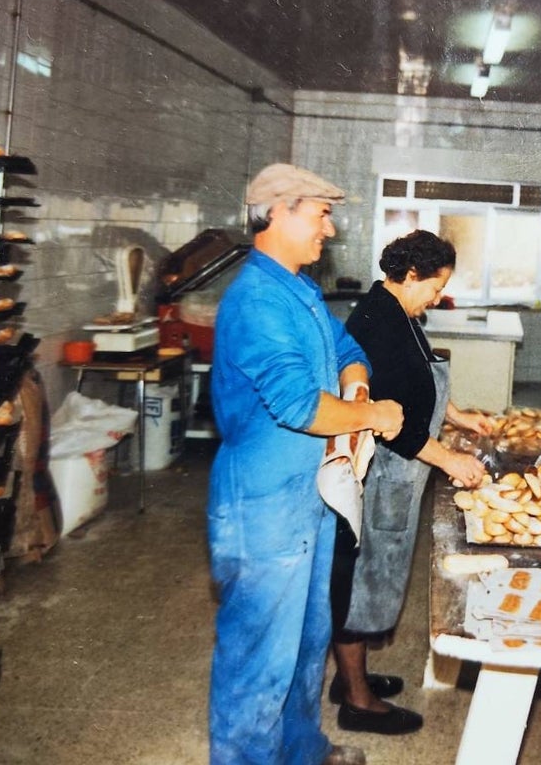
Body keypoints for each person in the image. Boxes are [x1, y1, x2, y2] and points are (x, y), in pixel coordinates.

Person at [207, 163, 404, 765]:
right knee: (260, 652)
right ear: (278, 212)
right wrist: (371, 417)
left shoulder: (298, 286)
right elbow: (295, 404)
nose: (331, 226)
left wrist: (358, 390)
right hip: (263, 500)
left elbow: (347, 350)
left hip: (311, 495)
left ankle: (301, 750)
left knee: (304, 640)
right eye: (320, 213)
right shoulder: (256, 298)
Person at [328, 229, 495, 735]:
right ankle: (356, 702)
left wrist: (458, 416)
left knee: (373, 578)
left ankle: (350, 678)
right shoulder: (378, 324)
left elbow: (417, 383)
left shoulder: (399, 311)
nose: (438, 296)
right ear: (409, 275)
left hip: (400, 473)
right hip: (380, 473)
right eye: (434, 285)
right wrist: (449, 459)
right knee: (361, 582)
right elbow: (393, 426)